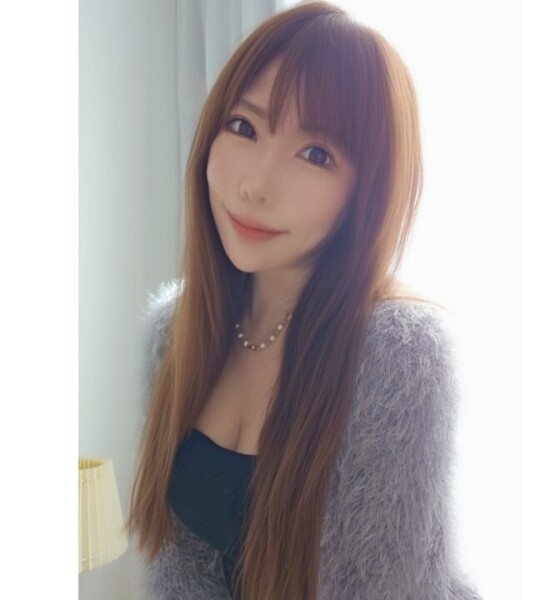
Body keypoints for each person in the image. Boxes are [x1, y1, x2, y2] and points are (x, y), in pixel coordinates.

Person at [127, 2, 482, 599]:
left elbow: (382, 589)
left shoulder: (399, 357)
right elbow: (177, 563)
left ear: (366, 191)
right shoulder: (175, 330)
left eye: (317, 154)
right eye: (244, 127)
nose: (255, 186)